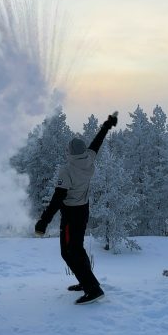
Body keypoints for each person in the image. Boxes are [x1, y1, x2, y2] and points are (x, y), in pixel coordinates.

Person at [35, 112, 118, 305]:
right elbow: (97, 142)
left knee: (68, 252)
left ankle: (93, 289)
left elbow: (57, 198)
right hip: (83, 210)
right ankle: (85, 282)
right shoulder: (88, 159)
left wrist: (43, 222)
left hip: (71, 215)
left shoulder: (68, 170)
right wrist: (107, 125)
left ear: (70, 152)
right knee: (77, 249)